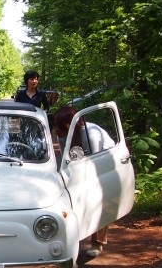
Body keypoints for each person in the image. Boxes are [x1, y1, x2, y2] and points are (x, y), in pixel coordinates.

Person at [52, 105, 114, 257]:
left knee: (101, 203)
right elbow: (64, 160)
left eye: (59, 124)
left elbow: (94, 160)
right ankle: (72, 239)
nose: (57, 129)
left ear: (69, 123)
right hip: (81, 167)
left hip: (104, 168)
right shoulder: (65, 134)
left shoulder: (90, 132)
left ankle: (97, 243)